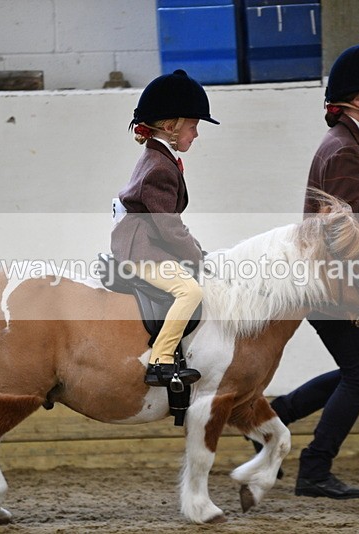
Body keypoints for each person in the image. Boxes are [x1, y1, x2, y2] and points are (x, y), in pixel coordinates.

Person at [259, 40, 359, 498]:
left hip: (331, 282)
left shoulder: (351, 144)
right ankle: (314, 468)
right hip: (333, 284)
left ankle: (271, 421)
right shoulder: (344, 150)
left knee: (358, 370)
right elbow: (337, 234)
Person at [111, 69, 219, 387]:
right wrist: (199, 258)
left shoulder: (159, 157)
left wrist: (197, 251)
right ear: (171, 128)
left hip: (143, 241)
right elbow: (169, 229)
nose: (196, 135)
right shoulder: (160, 167)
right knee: (190, 291)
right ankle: (160, 361)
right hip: (141, 249)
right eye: (193, 126)